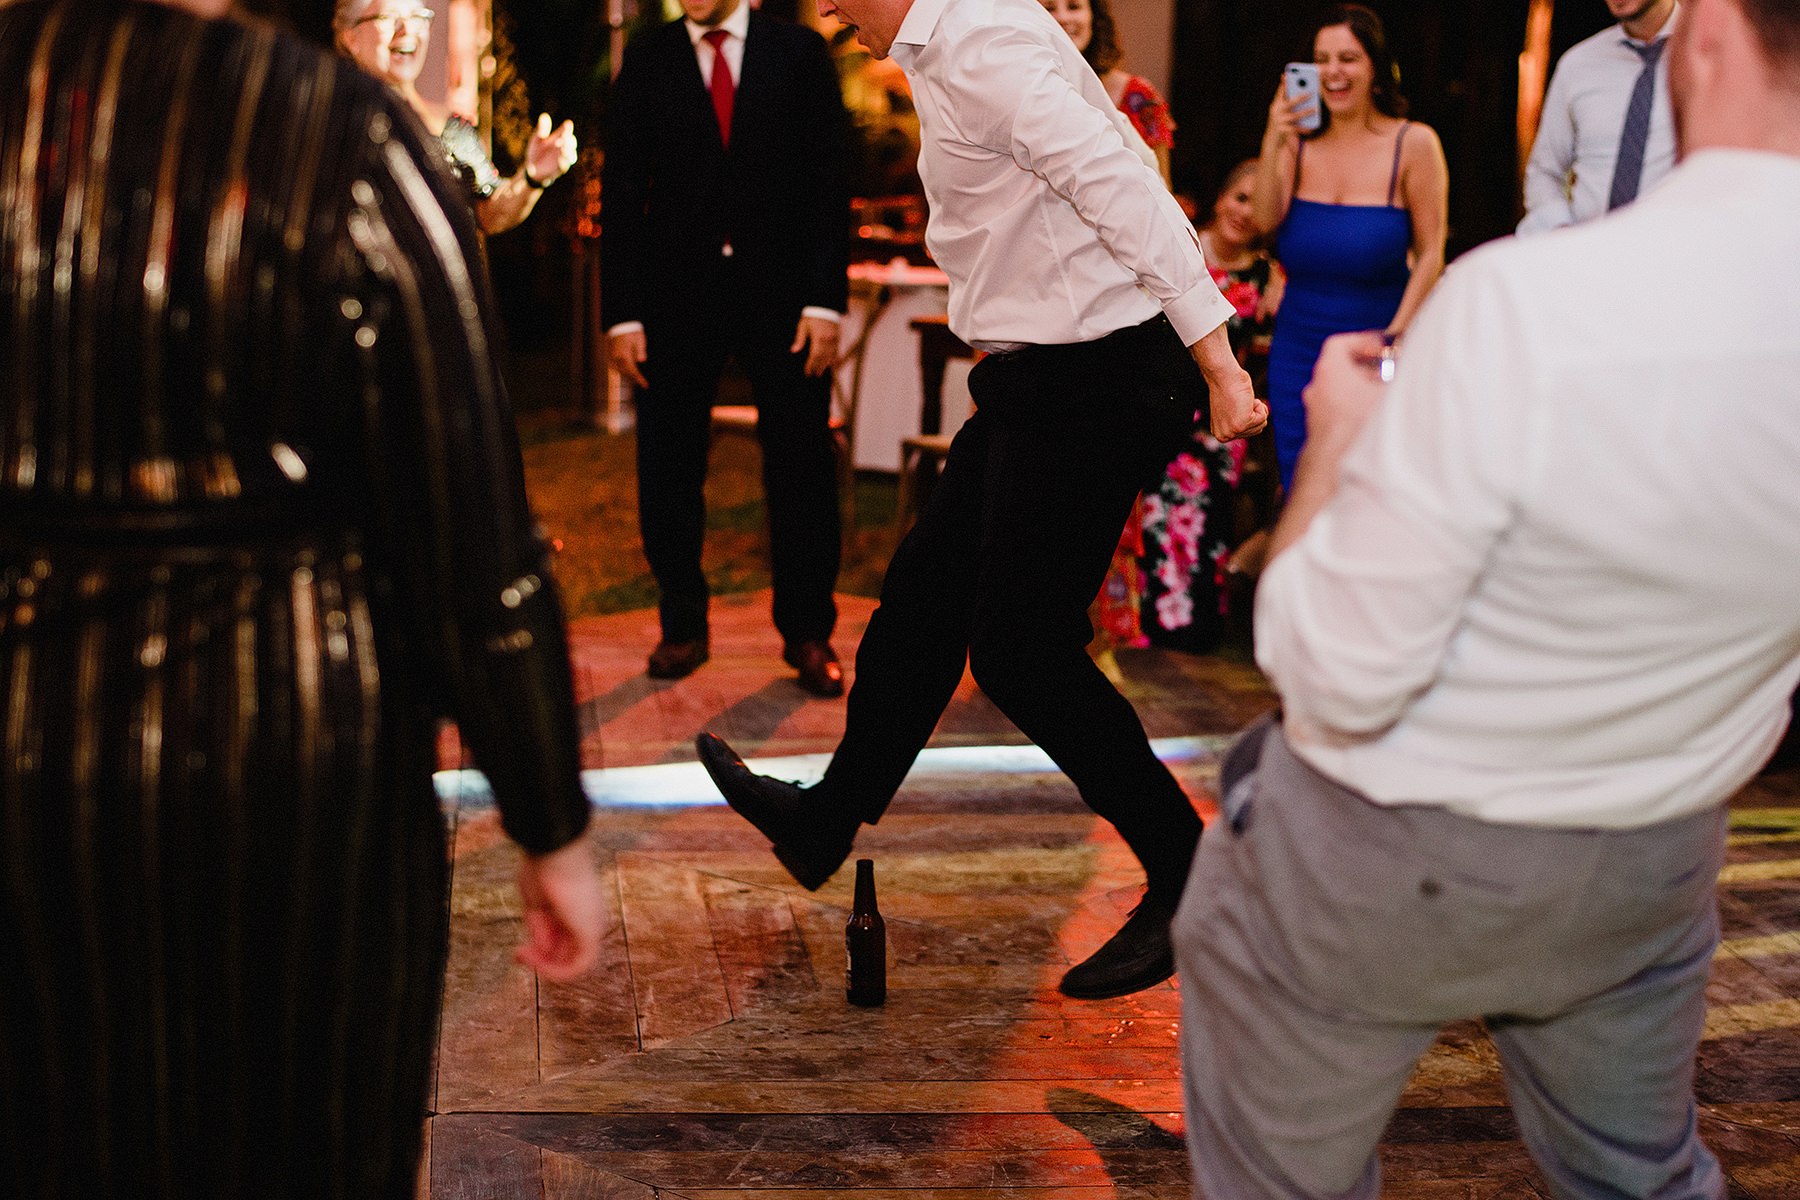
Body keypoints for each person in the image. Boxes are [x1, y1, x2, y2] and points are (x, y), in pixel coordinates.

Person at [1173, 0, 1800, 1191]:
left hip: (1393, 858)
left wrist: (1337, 451)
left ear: (1712, 33)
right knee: (1641, 1179)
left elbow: (1336, 671)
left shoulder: (1526, 303)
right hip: (1654, 863)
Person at [0, 0, 606, 1193]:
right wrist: (548, 818)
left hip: (27, 757)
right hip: (294, 758)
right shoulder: (344, 135)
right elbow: (465, 514)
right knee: (304, 1141)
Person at [697, 0, 1264, 1002]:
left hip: (1098, 372)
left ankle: (1190, 872)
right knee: (926, 596)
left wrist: (1218, 362)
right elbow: (1104, 172)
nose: (828, 12)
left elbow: (1121, 185)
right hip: (1041, 373)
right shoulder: (953, 42)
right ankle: (827, 817)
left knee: (1021, 648)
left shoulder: (982, 44)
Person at [602, 0, 852, 697]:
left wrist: (825, 301)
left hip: (787, 300)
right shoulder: (647, 59)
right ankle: (681, 625)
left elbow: (830, 181)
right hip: (673, 301)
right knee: (668, 465)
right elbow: (622, 190)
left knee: (801, 465)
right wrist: (621, 315)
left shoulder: (799, 54)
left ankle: (809, 632)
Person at [1250, 3, 1447, 492]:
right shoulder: (1297, 145)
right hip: (1297, 353)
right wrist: (1273, 138)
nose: (1333, 72)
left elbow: (1431, 253)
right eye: (1322, 59)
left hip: (1376, 350)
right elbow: (1264, 220)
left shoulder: (1413, 144)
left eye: (1348, 58)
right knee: (1301, 488)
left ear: (1375, 67)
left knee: (1366, 492)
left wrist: (1392, 342)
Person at [1137, 160, 1282, 653]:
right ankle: (1150, 624)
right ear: (1220, 199)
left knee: (1209, 520)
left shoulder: (1267, 276)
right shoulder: (1180, 249)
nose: (1245, 213)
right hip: (1164, 406)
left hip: (1221, 418)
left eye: (1257, 206)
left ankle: (1196, 628)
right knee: (1156, 514)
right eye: (1240, 198)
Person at [334, 0, 578, 235]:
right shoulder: (330, 122)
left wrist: (531, 178)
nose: (407, 29)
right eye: (389, 17)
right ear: (351, 37)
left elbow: (489, 213)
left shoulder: (451, 129)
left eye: (418, 17)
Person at [1519, 0, 1681, 234]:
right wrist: (1562, 232)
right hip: (1586, 247)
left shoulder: (1714, 58)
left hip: (1676, 247)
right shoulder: (1578, 65)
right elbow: (1544, 173)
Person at [1041, 0, 1174, 182]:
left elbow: (1163, 186)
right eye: (1049, 8)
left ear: (1094, 17)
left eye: (1074, 7)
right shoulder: (1023, 94)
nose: (1062, 17)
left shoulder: (1139, 94)